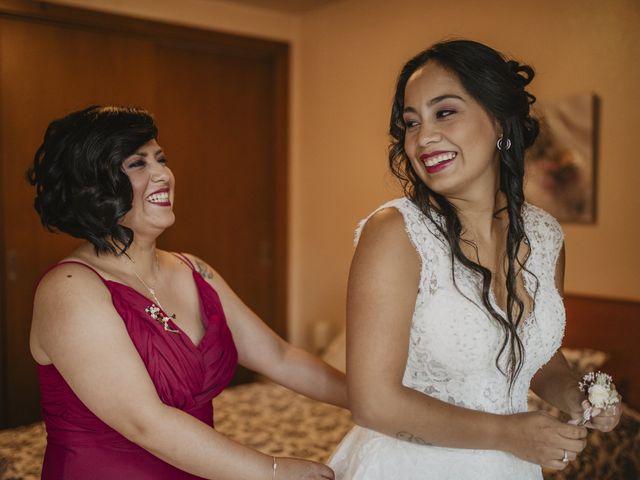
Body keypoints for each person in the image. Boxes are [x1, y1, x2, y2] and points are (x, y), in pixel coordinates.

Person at [328, 39, 621, 479]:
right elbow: (373, 404)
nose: (423, 137)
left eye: (444, 112)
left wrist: (577, 395)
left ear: (499, 120)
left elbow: (532, 354)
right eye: (411, 122)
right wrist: (509, 434)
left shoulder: (545, 236)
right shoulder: (395, 233)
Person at [27, 105, 346, 479]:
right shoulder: (68, 289)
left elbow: (280, 357)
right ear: (92, 184)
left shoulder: (194, 269)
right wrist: (272, 470)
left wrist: (375, 402)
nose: (163, 174)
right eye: (138, 164)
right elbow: (145, 422)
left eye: (161, 159)